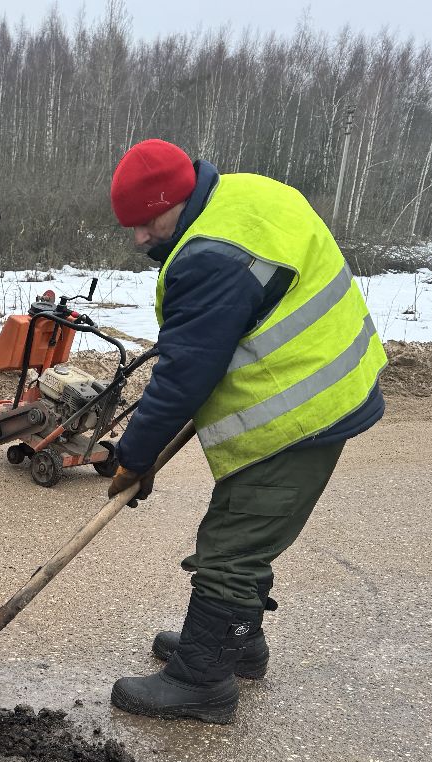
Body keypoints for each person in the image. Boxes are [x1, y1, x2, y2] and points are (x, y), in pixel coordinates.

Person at [104, 139, 385, 724]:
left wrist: (135, 456)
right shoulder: (244, 195)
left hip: (299, 410)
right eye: (131, 226)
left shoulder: (210, 259)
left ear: (177, 198)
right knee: (247, 526)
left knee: (233, 545)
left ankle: (203, 680)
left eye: (147, 222)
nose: (139, 238)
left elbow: (184, 374)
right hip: (324, 380)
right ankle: (240, 646)